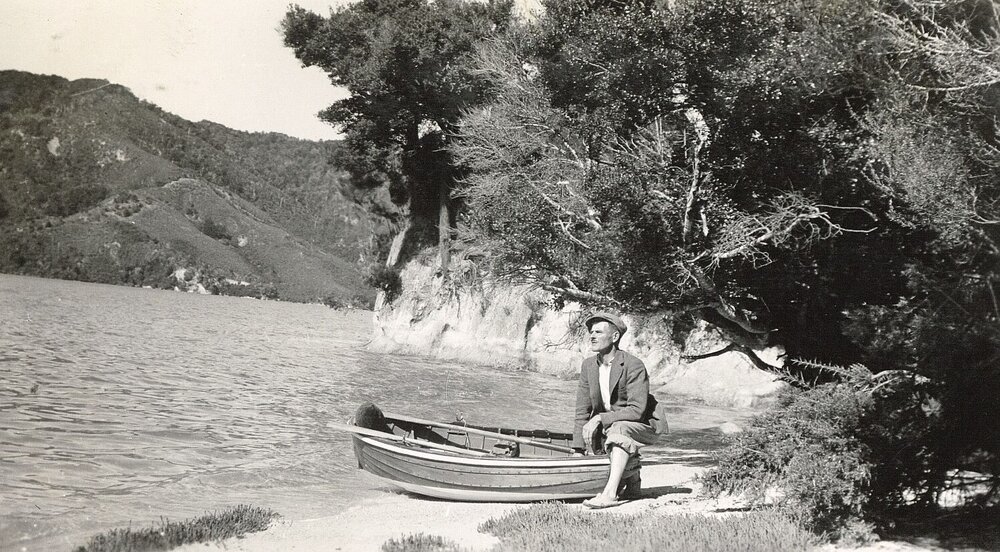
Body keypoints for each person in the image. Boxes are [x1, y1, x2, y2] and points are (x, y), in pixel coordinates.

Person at [573, 311, 666, 509]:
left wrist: (598, 419)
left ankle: (610, 494)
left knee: (619, 429)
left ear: (614, 337)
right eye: (591, 331)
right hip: (611, 425)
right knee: (604, 439)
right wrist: (578, 450)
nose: (592, 336)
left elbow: (637, 411)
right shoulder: (589, 366)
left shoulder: (633, 365)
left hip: (644, 426)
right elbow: (582, 410)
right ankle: (633, 479)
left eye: (598, 331)